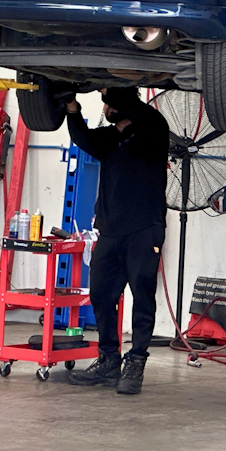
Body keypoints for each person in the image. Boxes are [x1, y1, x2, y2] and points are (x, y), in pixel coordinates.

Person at [63, 86, 169, 395]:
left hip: (143, 231)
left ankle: (136, 363)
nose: (105, 109)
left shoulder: (154, 130)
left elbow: (128, 104)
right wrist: (71, 107)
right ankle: (109, 360)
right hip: (109, 233)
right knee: (100, 295)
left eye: (108, 103)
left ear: (123, 102)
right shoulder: (110, 141)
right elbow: (83, 138)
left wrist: (108, 84)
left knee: (142, 299)